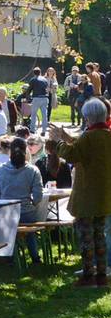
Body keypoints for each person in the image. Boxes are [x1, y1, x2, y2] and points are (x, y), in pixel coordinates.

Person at [50, 99, 111, 286]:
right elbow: (83, 148)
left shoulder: (89, 136)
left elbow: (73, 154)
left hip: (87, 195)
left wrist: (58, 141)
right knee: (100, 235)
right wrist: (67, 137)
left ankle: (87, 275)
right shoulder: (106, 135)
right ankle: (102, 274)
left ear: (88, 117)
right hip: (105, 194)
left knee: (86, 237)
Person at [0, 137, 45, 263]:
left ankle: (10, 257)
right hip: (27, 212)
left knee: (10, 228)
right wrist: (32, 203)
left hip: (7, 213)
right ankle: (34, 256)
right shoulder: (33, 170)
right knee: (30, 231)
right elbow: (38, 195)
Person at [26, 67, 50, 135]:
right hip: (45, 98)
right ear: (40, 72)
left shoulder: (33, 79)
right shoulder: (45, 80)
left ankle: (32, 130)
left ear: (34, 73)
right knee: (44, 115)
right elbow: (47, 89)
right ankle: (44, 131)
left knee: (33, 115)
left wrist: (28, 98)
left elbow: (29, 90)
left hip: (36, 98)